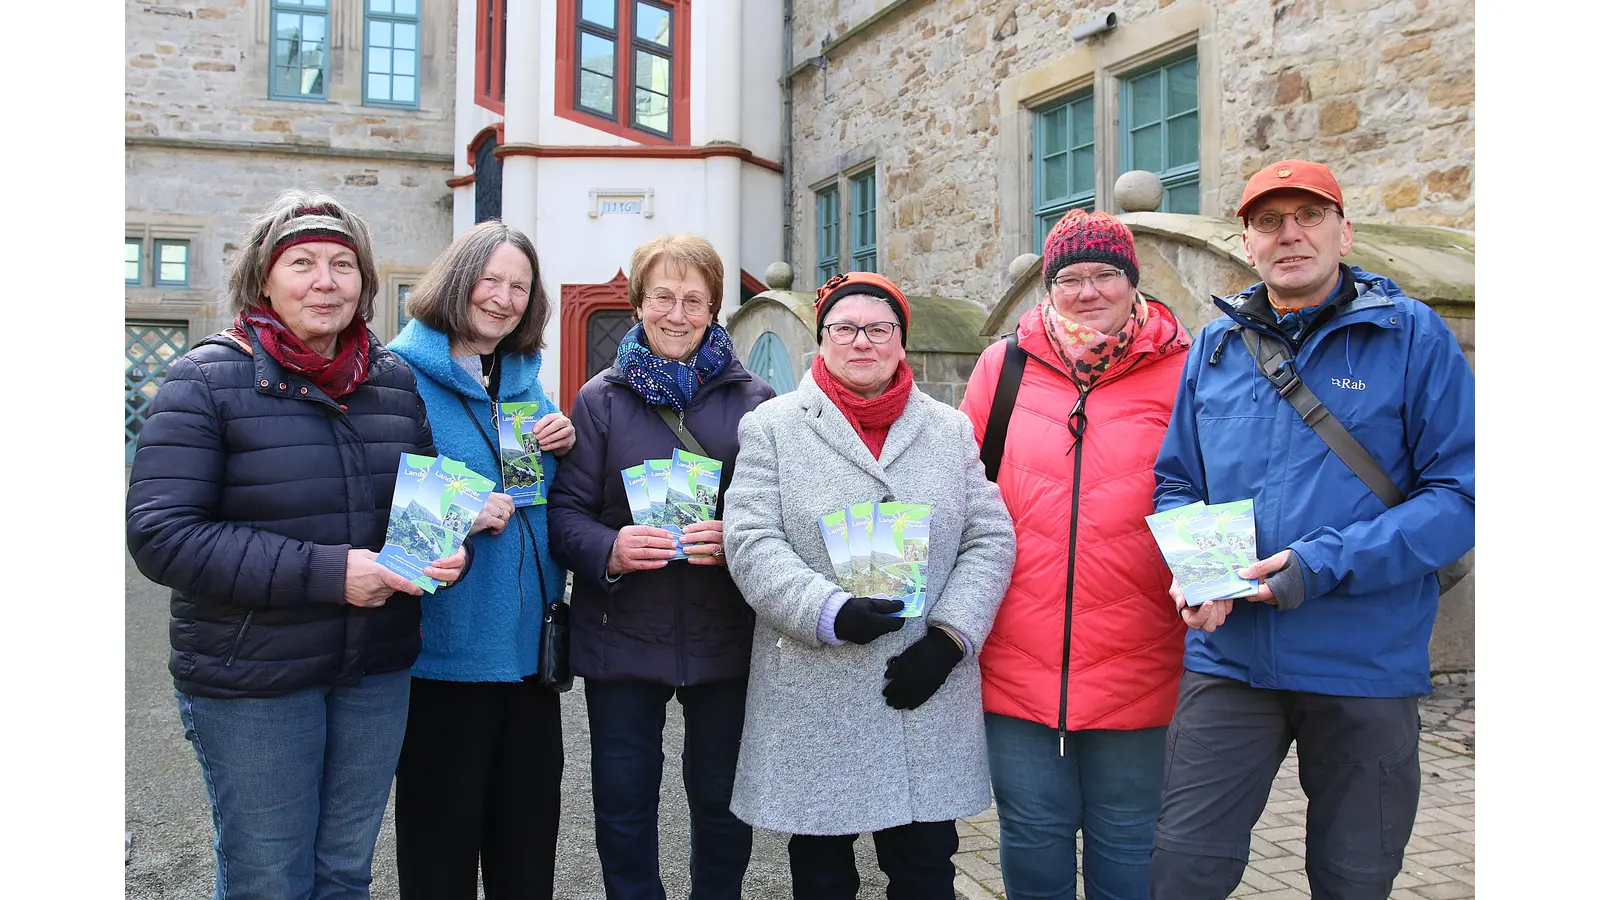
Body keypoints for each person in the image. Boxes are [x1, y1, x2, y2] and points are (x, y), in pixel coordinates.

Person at [126, 190, 468, 900]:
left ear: (365, 285)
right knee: (269, 879)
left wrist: (443, 553)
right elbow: (162, 535)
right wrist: (329, 574)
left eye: (343, 265)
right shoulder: (204, 380)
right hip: (254, 677)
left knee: (344, 874)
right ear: (264, 280)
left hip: (373, 669)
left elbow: (424, 511)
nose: (325, 280)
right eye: (303, 262)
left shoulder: (393, 382)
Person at [1147, 159, 1476, 899]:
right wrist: (1203, 571)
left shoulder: (1412, 337)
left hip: (1363, 660)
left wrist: (1318, 565)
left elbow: (1461, 496)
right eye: (1270, 221)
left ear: (1343, 230)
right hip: (1231, 660)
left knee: (1354, 878)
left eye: (1309, 215)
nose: (1290, 234)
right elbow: (1178, 480)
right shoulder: (1217, 346)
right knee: (1181, 870)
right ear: (1248, 241)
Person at [722, 271, 1016, 899]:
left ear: (901, 342)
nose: (863, 341)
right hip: (817, 686)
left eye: (879, 328)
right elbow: (750, 540)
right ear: (820, 342)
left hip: (923, 686)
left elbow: (989, 539)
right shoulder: (773, 426)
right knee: (824, 875)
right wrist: (827, 611)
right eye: (845, 328)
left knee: (925, 869)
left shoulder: (948, 429)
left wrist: (951, 639)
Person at [958, 210, 1191, 900]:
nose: (1088, 291)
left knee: (1129, 841)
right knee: (1031, 837)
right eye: (1070, 277)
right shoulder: (1002, 370)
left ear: (1132, 282)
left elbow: (1217, 492)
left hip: (1142, 654)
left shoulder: (1188, 370)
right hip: (1018, 659)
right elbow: (962, 494)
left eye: (1105, 275)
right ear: (1048, 287)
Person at [546, 234, 774, 900]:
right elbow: (565, 515)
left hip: (724, 633)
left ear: (714, 308)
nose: (677, 313)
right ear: (639, 303)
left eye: (693, 300)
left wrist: (739, 537)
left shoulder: (756, 402)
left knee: (723, 801)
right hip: (622, 632)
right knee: (622, 804)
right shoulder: (601, 401)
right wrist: (609, 550)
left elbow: (780, 514)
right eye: (663, 297)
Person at [385, 221, 575, 899]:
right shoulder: (396, 376)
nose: (502, 298)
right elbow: (373, 506)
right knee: (440, 852)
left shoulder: (526, 385)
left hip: (530, 656)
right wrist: (463, 508)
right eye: (490, 280)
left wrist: (566, 437)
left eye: (519, 287)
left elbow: (545, 498)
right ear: (457, 281)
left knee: (526, 852)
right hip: (446, 656)